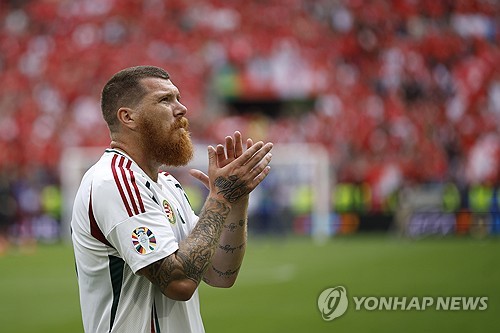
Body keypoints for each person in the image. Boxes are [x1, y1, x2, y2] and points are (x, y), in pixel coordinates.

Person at [71, 65, 273, 332]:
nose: (182, 108)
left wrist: (235, 199)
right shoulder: (115, 181)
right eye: (165, 100)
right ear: (128, 117)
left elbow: (220, 273)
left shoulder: (167, 185)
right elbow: (179, 283)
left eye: (178, 97)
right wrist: (220, 199)